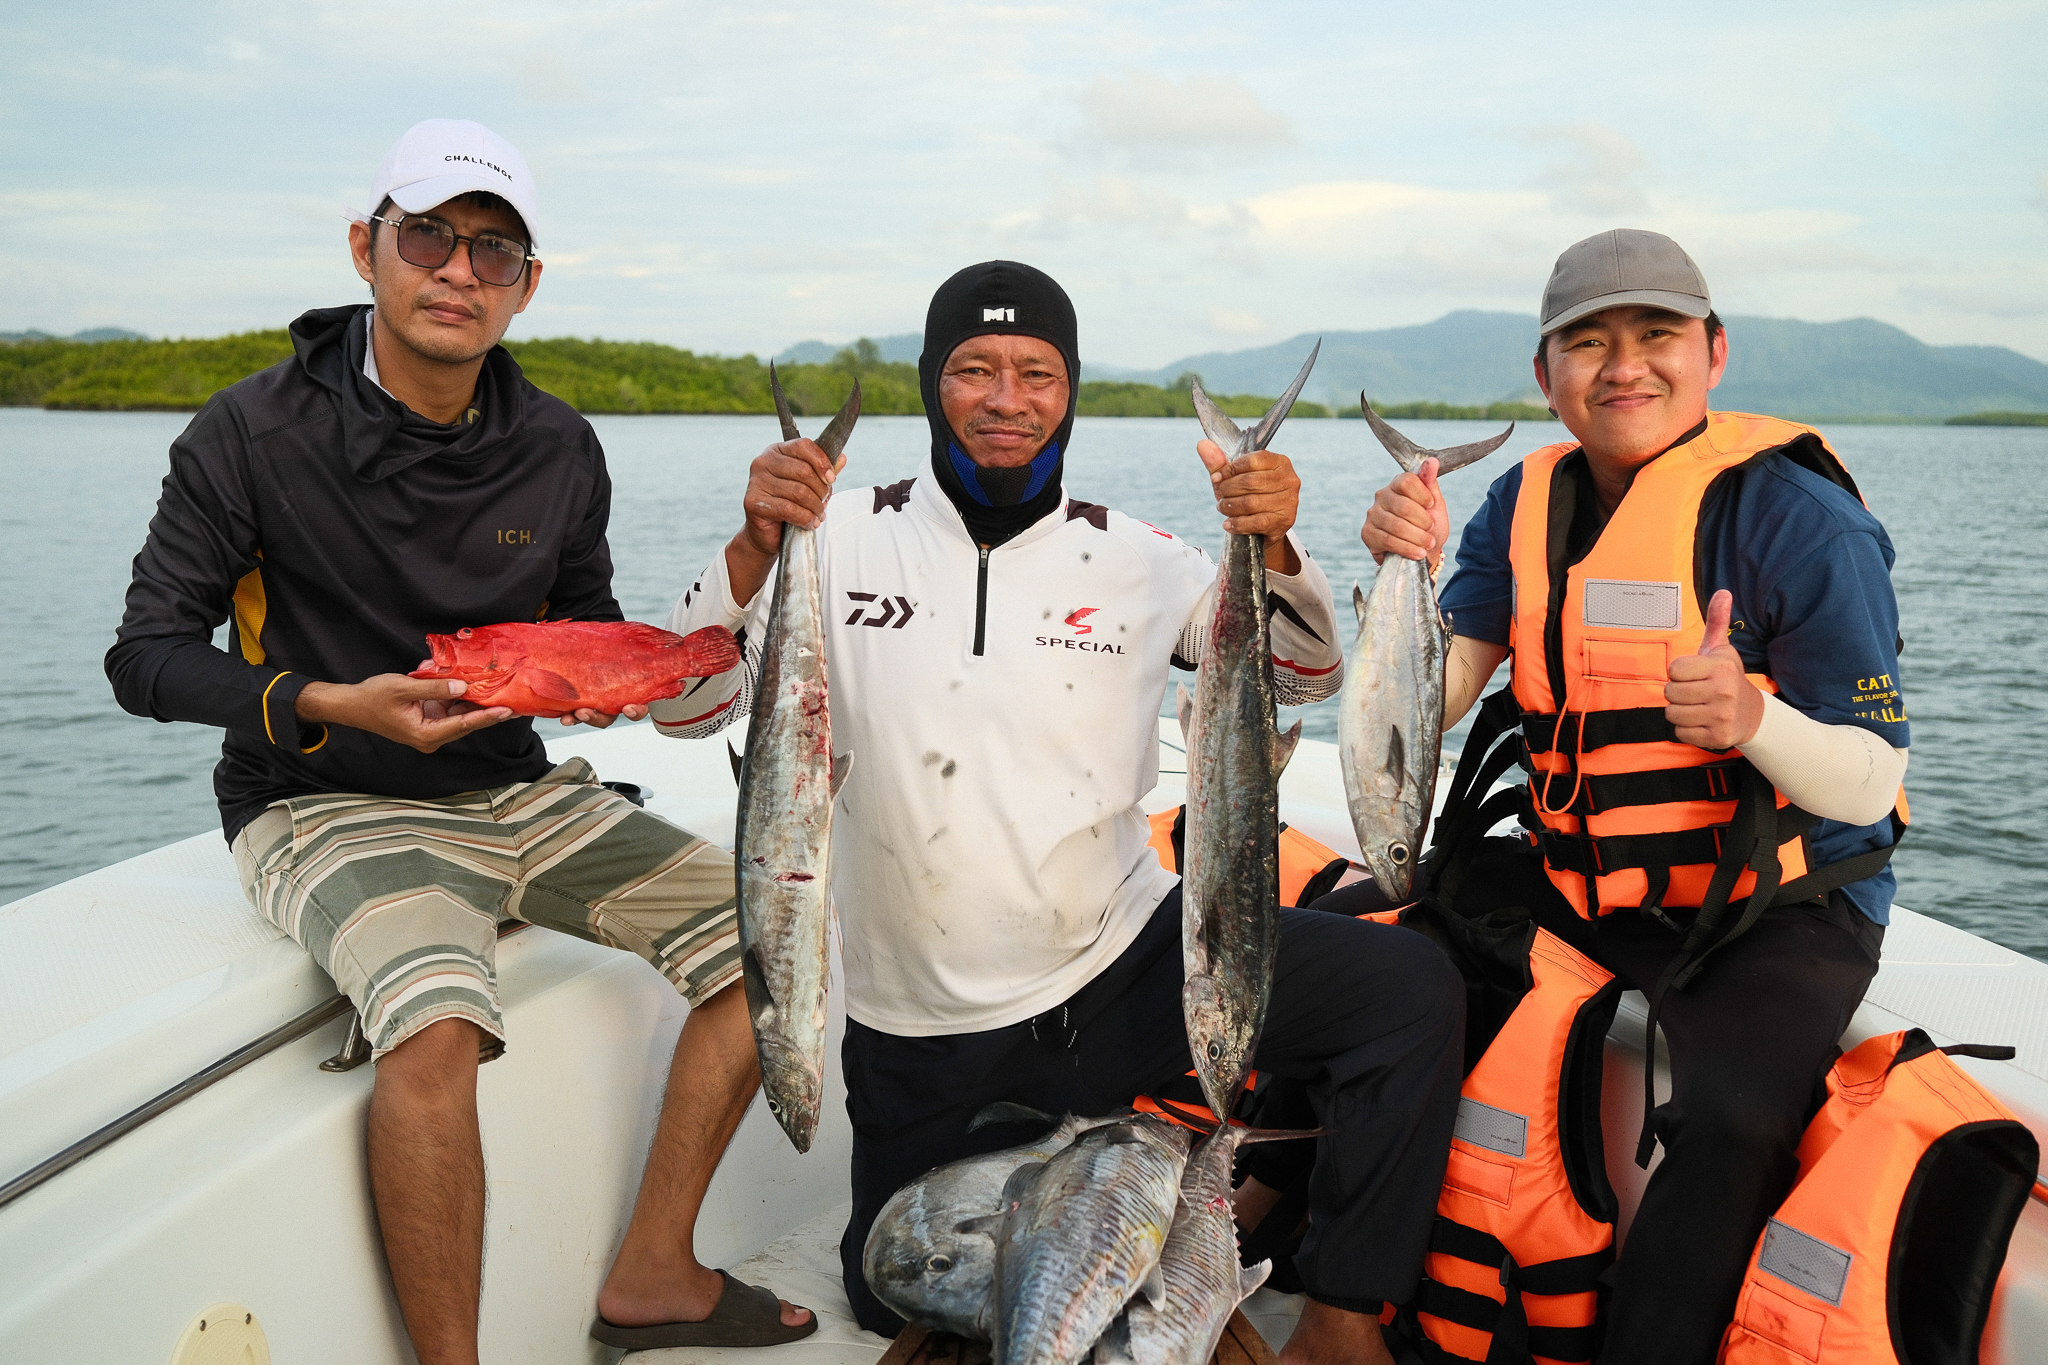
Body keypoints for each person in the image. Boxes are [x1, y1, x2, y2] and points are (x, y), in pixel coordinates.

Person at [657, 259, 1466, 1365]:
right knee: (891, 1290)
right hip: (928, 1028)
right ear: (931, 384)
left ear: (1069, 389)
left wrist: (1277, 545)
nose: (1007, 399)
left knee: (1408, 987)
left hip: (1131, 967)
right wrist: (756, 542)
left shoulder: (1140, 556)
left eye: (1036, 372)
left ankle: (1338, 1310)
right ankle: (1135, 1189)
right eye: (974, 369)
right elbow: (685, 710)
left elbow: (1304, 673)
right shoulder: (829, 534)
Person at [105, 119, 813, 1365]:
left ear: (525, 287)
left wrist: (631, 662)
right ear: (364, 249)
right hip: (319, 795)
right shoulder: (248, 433)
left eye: (493, 252)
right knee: (434, 1025)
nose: (456, 271)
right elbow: (145, 657)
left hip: (516, 790)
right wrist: (336, 703)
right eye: (426, 236)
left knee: (777, 945)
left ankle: (654, 1272)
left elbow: (586, 633)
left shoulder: (558, 445)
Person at [1344, 228, 1910, 1364]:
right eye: (1588, 342)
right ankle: (1350, 1299)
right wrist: (1398, 579)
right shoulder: (1521, 499)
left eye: (1656, 334)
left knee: (1734, 1120)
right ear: (1544, 372)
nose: (1624, 367)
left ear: (1714, 352)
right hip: (1578, 877)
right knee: (1360, 964)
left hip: (1772, 910)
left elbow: (1873, 774)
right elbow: (1437, 697)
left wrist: (1752, 721)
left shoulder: (1803, 521)